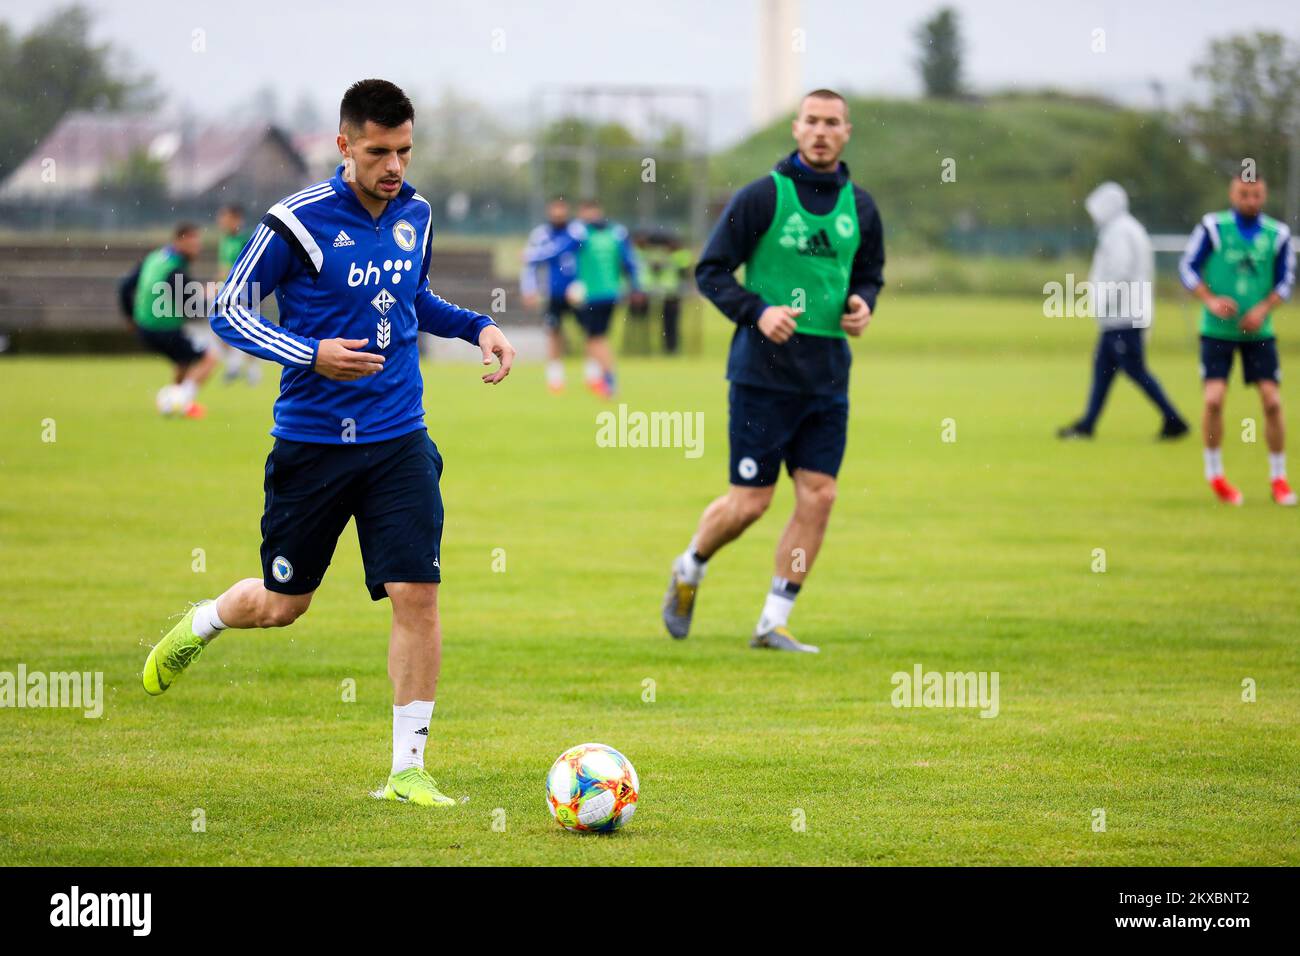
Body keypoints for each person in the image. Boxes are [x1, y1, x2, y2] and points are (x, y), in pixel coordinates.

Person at [140, 79, 517, 809]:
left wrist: (478, 327)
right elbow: (229, 313)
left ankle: (408, 770)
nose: (395, 166)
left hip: (400, 438)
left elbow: (413, 297)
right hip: (312, 445)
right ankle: (207, 618)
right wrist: (310, 353)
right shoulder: (296, 223)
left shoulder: (418, 213)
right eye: (379, 152)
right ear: (344, 146)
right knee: (284, 605)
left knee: (417, 593)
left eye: (405, 150)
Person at [661, 89, 884, 653]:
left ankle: (772, 621)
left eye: (832, 123)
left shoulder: (862, 207)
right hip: (763, 376)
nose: (821, 131)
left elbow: (868, 273)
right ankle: (690, 565)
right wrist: (758, 312)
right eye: (812, 121)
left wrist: (862, 302)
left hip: (828, 375)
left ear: (847, 132)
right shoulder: (763, 196)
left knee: (821, 496)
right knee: (750, 504)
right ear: (796, 128)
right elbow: (711, 271)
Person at [1179, 174, 1296, 505]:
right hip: (1217, 332)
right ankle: (1215, 473)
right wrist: (1211, 300)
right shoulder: (1213, 228)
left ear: (1265, 195)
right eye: (1244, 194)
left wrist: (1263, 308)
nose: (1250, 200)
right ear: (1232, 193)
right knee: (1214, 399)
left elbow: (1286, 281)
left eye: (1256, 194)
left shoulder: (1278, 235)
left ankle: (1278, 478)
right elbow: (1187, 268)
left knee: (1272, 401)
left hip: (1259, 333)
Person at [1058, 182, 1188, 440]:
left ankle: (1174, 420)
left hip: (1124, 316)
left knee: (1135, 370)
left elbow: (1120, 270)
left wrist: (1102, 301)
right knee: (1102, 370)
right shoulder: (1126, 229)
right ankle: (1088, 424)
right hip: (1119, 317)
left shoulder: (1120, 232)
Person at [525, 199, 642, 398]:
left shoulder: (582, 234)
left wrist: (532, 257)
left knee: (596, 339)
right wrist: (636, 287)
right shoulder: (616, 231)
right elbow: (630, 261)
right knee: (593, 337)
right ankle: (596, 380)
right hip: (610, 294)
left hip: (593, 296)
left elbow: (558, 251)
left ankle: (609, 382)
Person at [132, 222, 219, 419]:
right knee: (209, 358)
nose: (198, 247)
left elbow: (126, 285)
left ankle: (174, 401)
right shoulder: (175, 270)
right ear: (180, 241)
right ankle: (180, 402)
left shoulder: (155, 257)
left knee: (184, 361)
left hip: (144, 326)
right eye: (193, 242)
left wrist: (131, 317)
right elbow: (193, 306)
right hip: (164, 328)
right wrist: (212, 294)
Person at [520, 196, 579, 393]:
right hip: (553, 293)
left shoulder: (577, 232)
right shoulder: (541, 234)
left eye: (561, 209)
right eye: (555, 209)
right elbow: (530, 266)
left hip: (577, 292)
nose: (558, 213)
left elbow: (534, 256)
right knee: (554, 332)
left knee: (590, 333)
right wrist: (529, 289)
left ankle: (594, 376)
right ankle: (555, 378)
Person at [213, 204, 261, 385]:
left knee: (250, 329)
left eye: (224, 217)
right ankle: (234, 365)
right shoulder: (225, 240)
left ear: (236, 219)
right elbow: (223, 267)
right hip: (226, 291)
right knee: (219, 328)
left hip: (245, 292)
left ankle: (253, 370)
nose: (221, 221)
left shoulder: (246, 239)